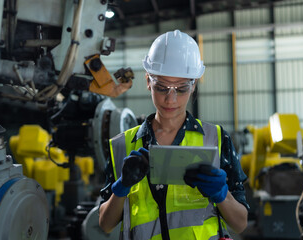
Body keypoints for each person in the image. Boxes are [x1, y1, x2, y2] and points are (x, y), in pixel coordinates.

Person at [98, 30, 249, 240]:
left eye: (181, 89)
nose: (171, 99)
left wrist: (222, 195)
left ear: (194, 85)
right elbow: (105, 225)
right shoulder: (122, 145)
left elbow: (240, 224)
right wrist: (122, 186)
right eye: (161, 87)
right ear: (148, 82)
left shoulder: (216, 139)